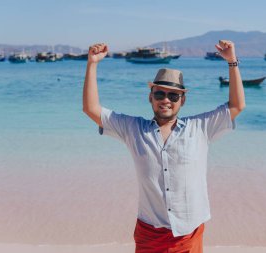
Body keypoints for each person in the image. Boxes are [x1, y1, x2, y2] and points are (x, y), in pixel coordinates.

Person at [83, 40, 245, 253]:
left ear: (182, 100)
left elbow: (236, 105)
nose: (165, 100)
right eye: (159, 94)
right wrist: (92, 63)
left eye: (173, 95)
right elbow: (91, 108)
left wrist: (232, 62)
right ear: (150, 97)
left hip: (188, 233)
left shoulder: (200, 128)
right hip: (149, 233)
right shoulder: (134, 129)